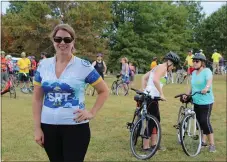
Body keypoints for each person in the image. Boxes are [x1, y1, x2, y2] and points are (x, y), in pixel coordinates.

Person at [32, 24, 109, 162]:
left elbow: (103, 91)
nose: (62, 43)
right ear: (53, 41)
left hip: (76, 128)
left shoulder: (83, 66)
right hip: (48, 127)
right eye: (58, 39)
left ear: (73, 42)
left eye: (67, 40)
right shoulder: (43, 65)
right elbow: (37, 99)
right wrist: (37, 128)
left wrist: (91, 113)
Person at [142, 51, 180, 151]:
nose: (173, 68)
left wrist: (144, 90)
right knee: (152, 121)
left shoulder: (158, 67)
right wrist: (161, 93)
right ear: (169, 62)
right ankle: (146, 146)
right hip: (152, 97)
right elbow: (155, 80)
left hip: (152, 96)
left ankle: (154, 144)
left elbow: (144, 78)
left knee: (155, 119)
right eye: (173, 65)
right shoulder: (162, 68)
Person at [183, 53, 216, 152]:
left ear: (202, 63)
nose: (194, 63)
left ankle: (212, 144)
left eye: (197, 61)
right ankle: (203, 141)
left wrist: (206, 88)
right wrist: (187, 94)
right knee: (199, 123)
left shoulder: (207, 71)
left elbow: (209, 81)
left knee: (205, 121)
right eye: (193, 61)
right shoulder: (193, 73)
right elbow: (192, 86)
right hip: (196, 101)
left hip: (206, 101)